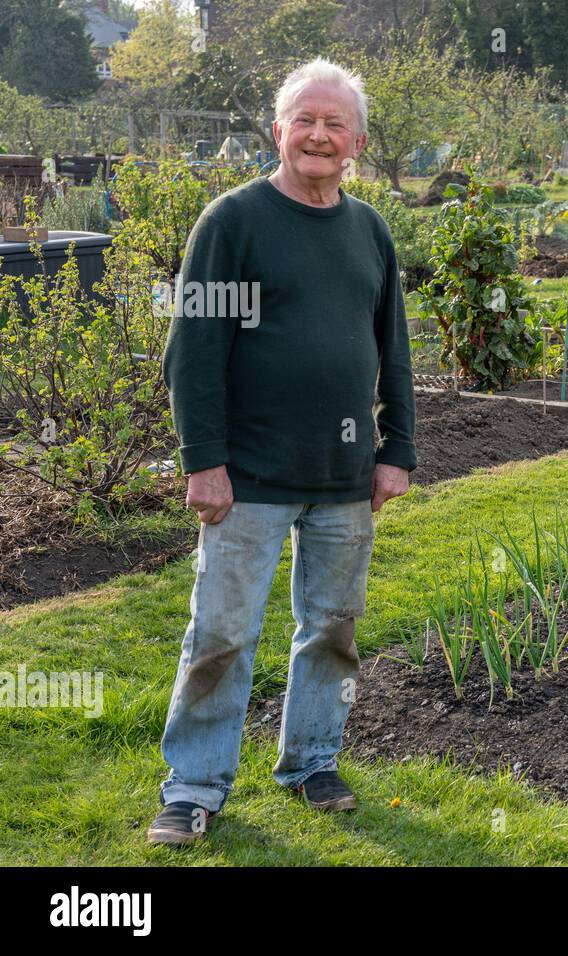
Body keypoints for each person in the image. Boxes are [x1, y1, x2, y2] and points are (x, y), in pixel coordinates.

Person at [147, 58, 417, 845]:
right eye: (305, 119)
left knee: (332, 628)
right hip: (248, 478)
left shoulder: (369, 230)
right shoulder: (232, 222)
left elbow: (391, 347)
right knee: (223, 635)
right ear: (278, 131)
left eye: (335, 124)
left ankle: (311, 759)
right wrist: (203, 460)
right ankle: (194, 786)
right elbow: (193, 352)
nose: (319, 136)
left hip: (343, 477)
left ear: (358, 141)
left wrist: (396, 446)